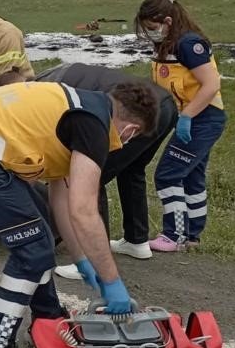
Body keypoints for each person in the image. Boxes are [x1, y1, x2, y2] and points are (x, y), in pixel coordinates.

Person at [0, 78, 159, 348]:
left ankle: (48, 318)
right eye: (130, 139)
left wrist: (82, 260)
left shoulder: (83, 109)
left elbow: (62, 199)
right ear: (131, 130)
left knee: (40, 238)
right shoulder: (94, 126)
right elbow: (85, 211)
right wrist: (112, 282)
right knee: (33, 248)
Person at [29, 63, 177, 275]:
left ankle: (93, 260)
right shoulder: (57, 74)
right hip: (163, 105)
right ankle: (137, 240)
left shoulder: (41, 93)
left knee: (91, 175)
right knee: (132, 170)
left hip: (133, 113)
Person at [135, 0, 226, 252]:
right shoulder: (167, 45)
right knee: (193, 177)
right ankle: (193, 237)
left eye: (152, 28)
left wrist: (187, 117)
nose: (150, 33)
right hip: (190, 116)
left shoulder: (190, 45)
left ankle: (173, 235)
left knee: (168, 174)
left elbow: (211, 84)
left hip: (203, 118)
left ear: (167, 21)